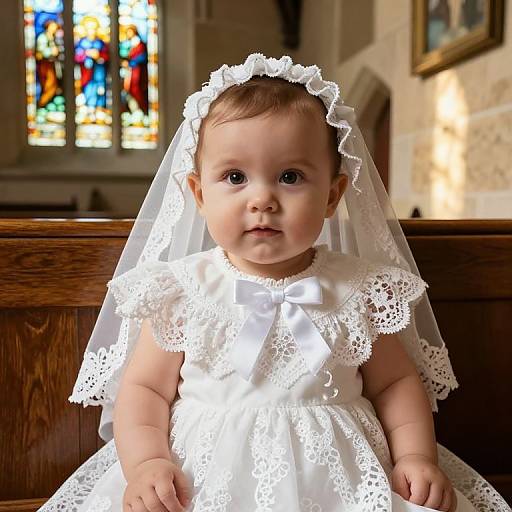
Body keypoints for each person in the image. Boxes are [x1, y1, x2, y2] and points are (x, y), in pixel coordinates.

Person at [38, 54, 510, 512]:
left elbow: (395, 384)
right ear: (200, 195)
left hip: (339, 471)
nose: (262, 198)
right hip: (203, 474)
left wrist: (415, 457)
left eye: (290, 176)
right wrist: (146, 463)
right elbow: (144, 390)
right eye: (235, 177)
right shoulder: (182, 290)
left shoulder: (360, 290)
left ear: (332, 195)